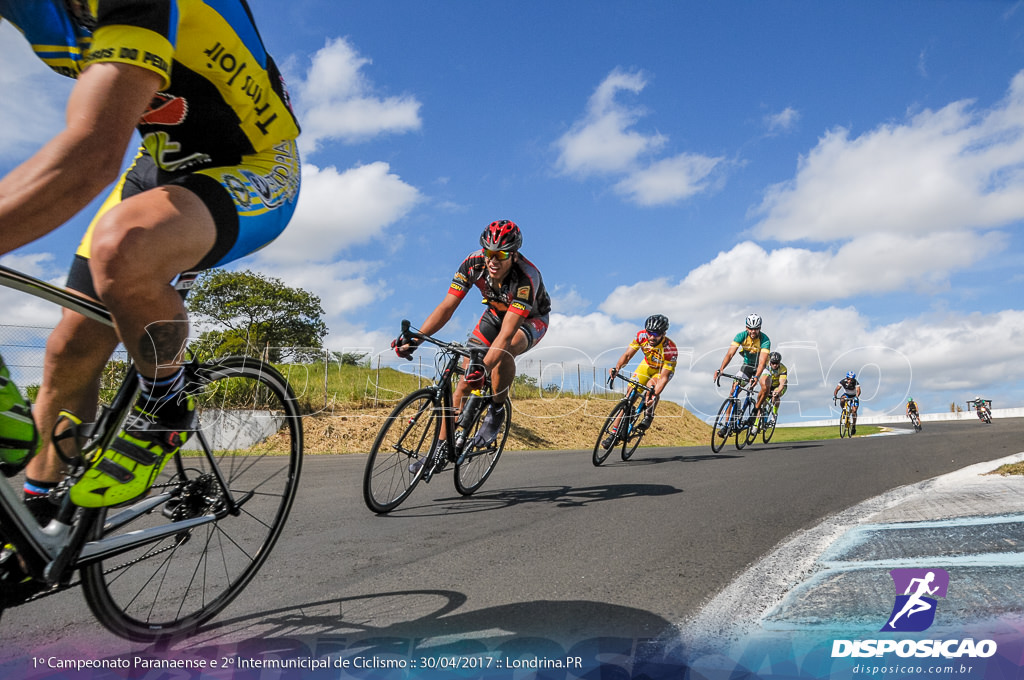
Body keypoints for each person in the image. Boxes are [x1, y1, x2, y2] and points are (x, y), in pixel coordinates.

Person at [0, 1, 301, 521]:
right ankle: (39, 516)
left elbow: (91, 156)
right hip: (158, 165)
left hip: (252, 161)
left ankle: (165, 405)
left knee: (124, 249)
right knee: (67, 349)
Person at [393, 220, 550, 469]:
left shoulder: (526, 277)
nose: (493, 260)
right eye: (489, 253)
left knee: (504, 352)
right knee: (464, 382)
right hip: (495, 314)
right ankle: (440, 450)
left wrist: (484, 368)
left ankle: (497, 408)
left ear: (514, 254)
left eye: (501, 254)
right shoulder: (473, 264)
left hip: (529, 320)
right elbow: (447, 307)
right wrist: (416, 338)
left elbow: (507, 334)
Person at [602, 314, 678, 448]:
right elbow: (627, 355)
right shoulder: (641, 336)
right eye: (649, 333)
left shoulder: (670, 349)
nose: (652, 337)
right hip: (647, 365)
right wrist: (617, 368)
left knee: (651, 389)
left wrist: (654, 395)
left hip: (661, 371)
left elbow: (664, 378)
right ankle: (613, 434)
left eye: (656, 334)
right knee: (628, 396)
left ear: (664, 333)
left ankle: (648, 415)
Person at [713, 313, 771, 428]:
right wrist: (721, 368)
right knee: (733, 390)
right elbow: (730, 354)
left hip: (762, 367)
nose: (753, 331)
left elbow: (762, 362)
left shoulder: (765, 340)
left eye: (756, 329)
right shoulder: (741, 336)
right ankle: (727, 424)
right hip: (747, 366)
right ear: (746, 327)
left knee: (765, 385)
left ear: (760, 328)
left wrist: (756, 377)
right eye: (750, 329)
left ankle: (756, 410)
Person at [764, 351, 788, 417]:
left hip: (779, 385)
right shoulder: (766, 366)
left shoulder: (783, 369)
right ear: (770, 362)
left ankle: (774, 413)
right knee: (763, 401)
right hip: (770, 385)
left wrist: (777, 392)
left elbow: (782, 384)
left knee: (775, 395)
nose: (775, 365)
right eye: (773, 363)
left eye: (777, 363)